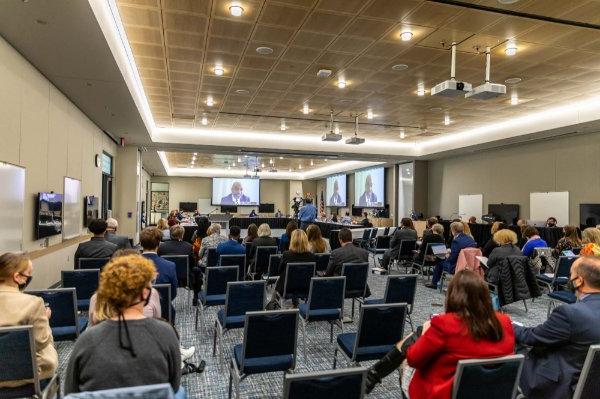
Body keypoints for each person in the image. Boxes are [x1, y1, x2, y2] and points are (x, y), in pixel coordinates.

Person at [365, 270, 515, 398]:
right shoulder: (505, 322)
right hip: (489, 392)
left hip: (444, 393)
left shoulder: (445, 324)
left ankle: (372, 375)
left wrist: (426, 331)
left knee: (408, 355)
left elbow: (413, 359)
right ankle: (372, 375)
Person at [64, 255, 182, 394]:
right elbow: (173, 387)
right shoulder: (166, 333)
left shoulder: (86, 340)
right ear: (145, 293)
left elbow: (71, 393)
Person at [514, 256, 600, 399]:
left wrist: (507, 326)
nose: (569, 279)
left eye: (571, 274)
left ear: (579, 280)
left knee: (516, 344)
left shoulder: (569, 313)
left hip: (564, 386)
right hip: (593, 386)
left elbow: (531, 337)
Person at [0, 253, 58, 388]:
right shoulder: (34, 303)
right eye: (28, 274)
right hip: (29, 376)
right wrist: (45, 321)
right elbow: (40, 343)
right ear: (17, 277)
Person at [140, 227, 178, 320]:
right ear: (159, 244)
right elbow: (172, 293)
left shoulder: (129, 264)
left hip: (135, 312)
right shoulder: (169, 266)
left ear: (140, 244)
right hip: (163, 313)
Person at [427, 221, 477, 289]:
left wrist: (447, 256)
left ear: (453, 230)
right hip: (469, 265)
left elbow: (452, 259)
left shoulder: (456, 240)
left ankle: (434, 283)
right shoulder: (470, 239)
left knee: (439, 262)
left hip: (457, 266)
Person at [274, 229, 316, 297]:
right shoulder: (311, 256)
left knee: (279, 280)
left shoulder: (286, 254)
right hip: (305, 287)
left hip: (287, 287)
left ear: (292, 241)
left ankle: (272, 302)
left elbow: (279, 271)